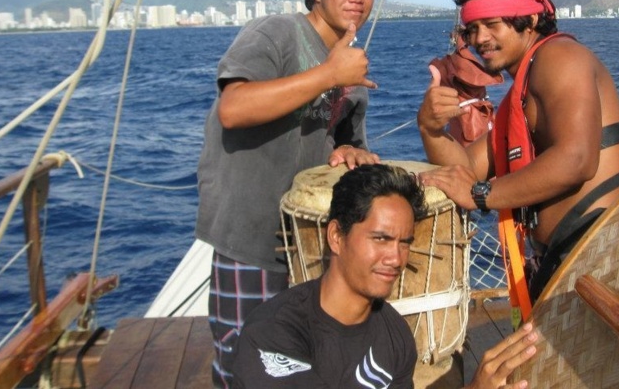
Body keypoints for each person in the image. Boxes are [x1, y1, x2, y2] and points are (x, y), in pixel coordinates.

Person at [196, 0, 382, 388]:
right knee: (243, 362)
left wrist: (350, 152)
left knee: (304, 362)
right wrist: (329, 74)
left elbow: (345, 142)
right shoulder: (276, 32)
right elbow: (234, 108)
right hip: (252, 236)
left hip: (312, 244)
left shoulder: (349, 70)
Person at [417, 0, 619, 304]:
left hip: (601, 258)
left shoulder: (560, 57)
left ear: (530, 20)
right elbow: (467, 165)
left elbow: (577, 160)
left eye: (493, 24)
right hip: (565, 260)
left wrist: (480, 195)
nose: (480, 39)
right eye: (472, 29)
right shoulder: (519, 95)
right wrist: (429, 127)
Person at [230, 163, 538, 388]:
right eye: (380, 239)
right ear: (336, 236)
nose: (395, 258)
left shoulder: (393, 333)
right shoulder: (273, 334)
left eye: (404, 243)